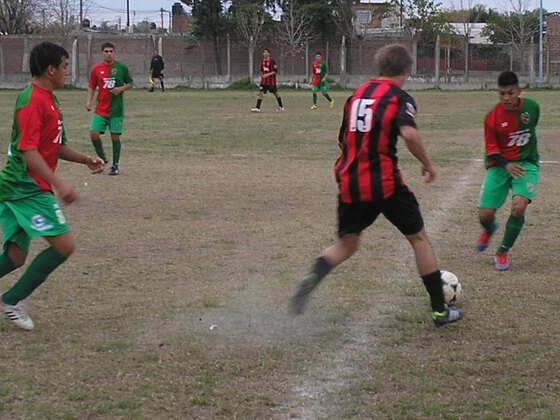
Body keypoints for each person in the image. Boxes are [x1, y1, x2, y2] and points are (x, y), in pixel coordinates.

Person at [290, 44, 463, 327]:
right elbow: (409, 134)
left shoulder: (356, 96)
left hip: (350, 181)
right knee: (418, 238)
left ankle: (307, 284)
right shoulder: (399, 97)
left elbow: (342, 140)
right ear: (407, 70)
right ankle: (439, 311)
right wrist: (428, 164)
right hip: (384, 183)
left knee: (347, 244)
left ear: (380, 68)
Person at [0, 42, 105, 330]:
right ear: (50, 70)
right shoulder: (33, 100)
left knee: (15, 256)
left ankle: (11, 298)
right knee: (64, 246)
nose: (67, 73)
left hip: (21, 186)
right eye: (65, 67)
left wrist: (85, 159)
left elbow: (56, 146)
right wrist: (59, 184)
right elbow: (28, 151)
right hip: (25, 187)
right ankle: (11, 300)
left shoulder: (49, 99)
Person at [475, 71, 540, 271]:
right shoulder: (492, 118)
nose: (506, 98)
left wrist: (520, 161)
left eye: (510, 93)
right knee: (485, 214)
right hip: (499, 166)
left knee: (518, 207)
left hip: (526, 165)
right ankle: (489, 228)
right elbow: (492, 153)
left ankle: (502, 252)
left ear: (519, 91)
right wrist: (507, 165)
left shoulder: (532, 108)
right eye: (501, 93)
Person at [86, 42, 133, 176]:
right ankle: (102, 158)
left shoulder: (121, 67)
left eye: (111, 51)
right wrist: (89, 101)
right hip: (101, 109)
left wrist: (120, 89)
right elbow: (91, 86)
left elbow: (130, 83)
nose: (109, 54)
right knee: (93, 133)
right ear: (102, 53)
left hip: (116, 110)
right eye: (106, 51)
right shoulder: (97, 69)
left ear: (114, 52)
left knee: (115, 137)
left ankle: (115, 165)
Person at [251, 48, 284, 113]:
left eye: (266, 52)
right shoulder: (262, 61)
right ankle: (257, 108)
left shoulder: (272, 62)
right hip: (264, 82)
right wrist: (261, 75)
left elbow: (275, 71)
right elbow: (262, 70)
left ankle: (281, 106)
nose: (265, 54)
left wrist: (267, 75)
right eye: (264, 52)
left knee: (275, 94)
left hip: (271, 82)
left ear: (269, 54)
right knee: (261, 93)